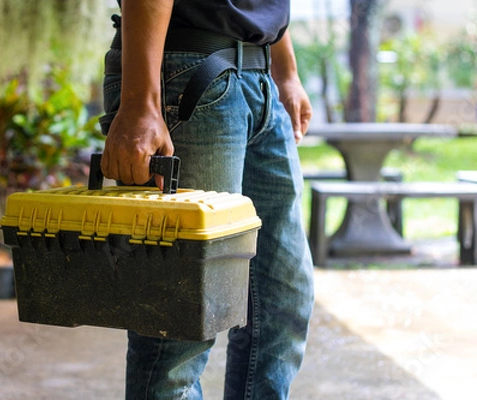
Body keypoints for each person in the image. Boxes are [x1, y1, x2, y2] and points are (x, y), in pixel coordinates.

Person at [99, 1, 315, 399]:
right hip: (188, 69)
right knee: (178, 328)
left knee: (281, 300)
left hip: (258, 73)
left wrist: (285, 70)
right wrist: (139, 102)